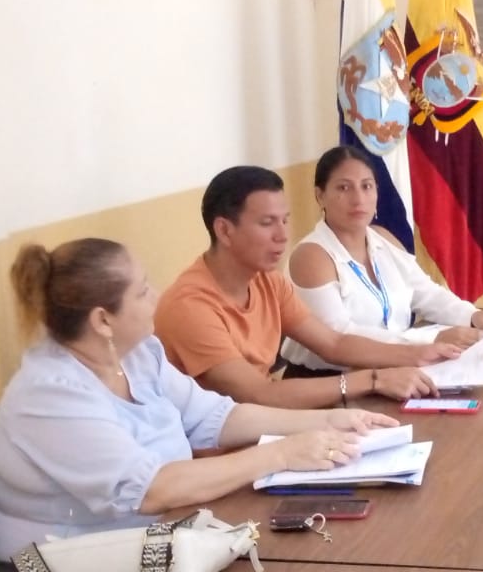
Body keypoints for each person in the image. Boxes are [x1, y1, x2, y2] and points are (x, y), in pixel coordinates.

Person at [0, 238, 399, 560]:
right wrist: (281, 454)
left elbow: (214, 418)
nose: (156, 297)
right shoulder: (50, 396)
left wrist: (326, 421)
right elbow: (152, 490)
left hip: (169, 543)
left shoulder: (139, 355)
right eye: (142, 291)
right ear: (102, 320)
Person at [154, 166, 464, 409]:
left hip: (262, 424)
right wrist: (373, 380)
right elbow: (259, 394)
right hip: (219, 448)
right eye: (267, 223)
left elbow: (333, 343)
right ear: (224, 230)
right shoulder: (190, 307)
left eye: (285, 220)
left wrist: (417, 354)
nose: (282, 235)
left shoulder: (267, 280)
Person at [283, 146, 483, 374]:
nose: (358, 198)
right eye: (344, 187)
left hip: (395, 368)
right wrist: (427, 341)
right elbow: (338, 337)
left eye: (367, 186)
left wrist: (471, 315)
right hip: (329, 381)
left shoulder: (383, 239)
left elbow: (425, 292)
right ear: (320, 195)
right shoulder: (311, 256)